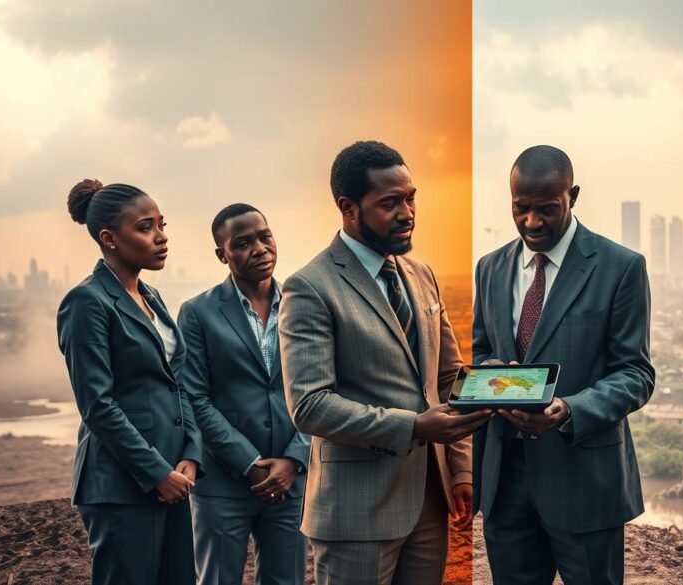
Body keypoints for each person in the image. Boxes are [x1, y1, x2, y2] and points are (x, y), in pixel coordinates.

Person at [278, 140, 490, 585]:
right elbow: (310, 405)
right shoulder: (310, 287)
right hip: (356, 512)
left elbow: (448, 377)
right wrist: (413, 427)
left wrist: (461, 466)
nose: (407, 212)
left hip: (431, 501)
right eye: (390, 203)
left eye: (411, 198)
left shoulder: (421, 274)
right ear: (348, 208)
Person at [472, 145, 655, 585]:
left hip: (585, 481)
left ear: (572, 195)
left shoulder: (620, 267)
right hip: (505, 478)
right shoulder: (490, 268)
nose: (532, 222)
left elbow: (636, 374)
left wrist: (568, 410)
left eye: (546, 209)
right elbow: (481, 354)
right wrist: (497, 373)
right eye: (521, 209)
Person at [57, 179, 202, 585]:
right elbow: (97, 405)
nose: (161, 237)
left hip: (176, 476)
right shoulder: (87, 302)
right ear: (109, 238)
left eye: (162, 224)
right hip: (122, 485)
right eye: (145, 227)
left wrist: (191, 453)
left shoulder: (151, 296)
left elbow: (177, 382)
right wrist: (156, 473)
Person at [178, 203, 311, 585]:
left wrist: (293, 458)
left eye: (265, 237)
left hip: (290, 482)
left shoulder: (304, 305)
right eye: (243, 243)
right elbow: (195, 399)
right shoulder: (198, 313)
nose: (259, 248)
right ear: (222, 254)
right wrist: (250, 464)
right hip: (223, 483)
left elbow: (323, 388)